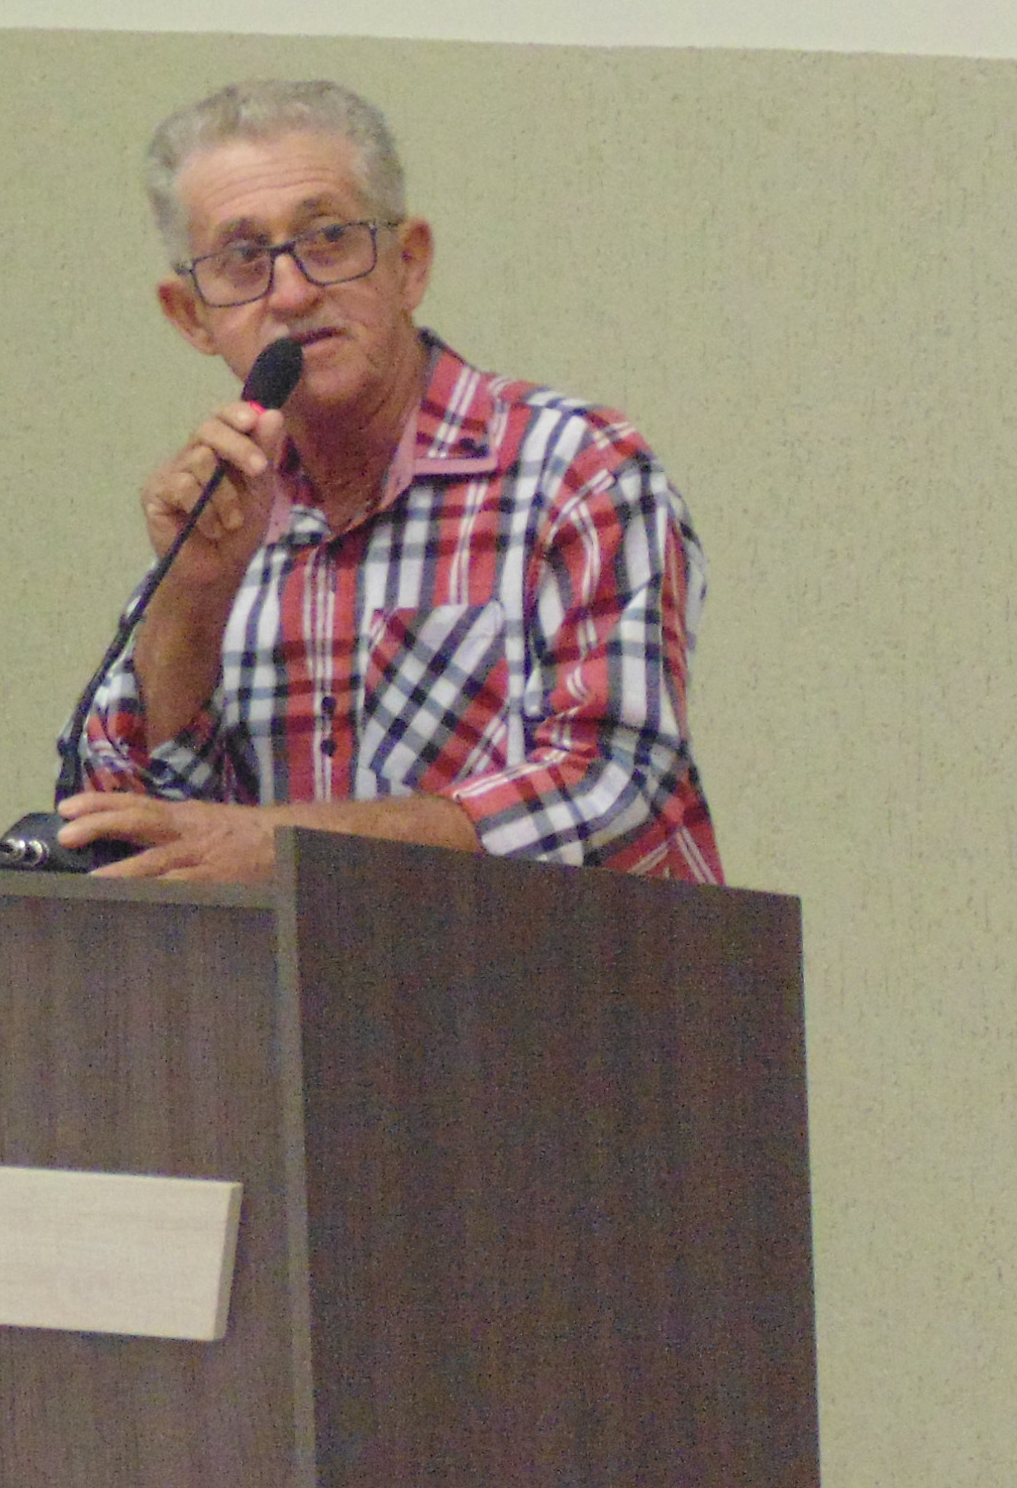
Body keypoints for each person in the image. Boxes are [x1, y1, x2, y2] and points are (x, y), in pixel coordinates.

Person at [59, 79, 720, 888]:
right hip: (289, 975)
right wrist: (194, 597)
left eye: (329, 239)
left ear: (409, 265)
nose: (293, 293)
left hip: (566, 968)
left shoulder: (574, 470)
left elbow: (615, 789)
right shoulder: (222, 509)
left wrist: (283, 849)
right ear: (191, 315)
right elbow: (119, 822)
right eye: (244, 261)